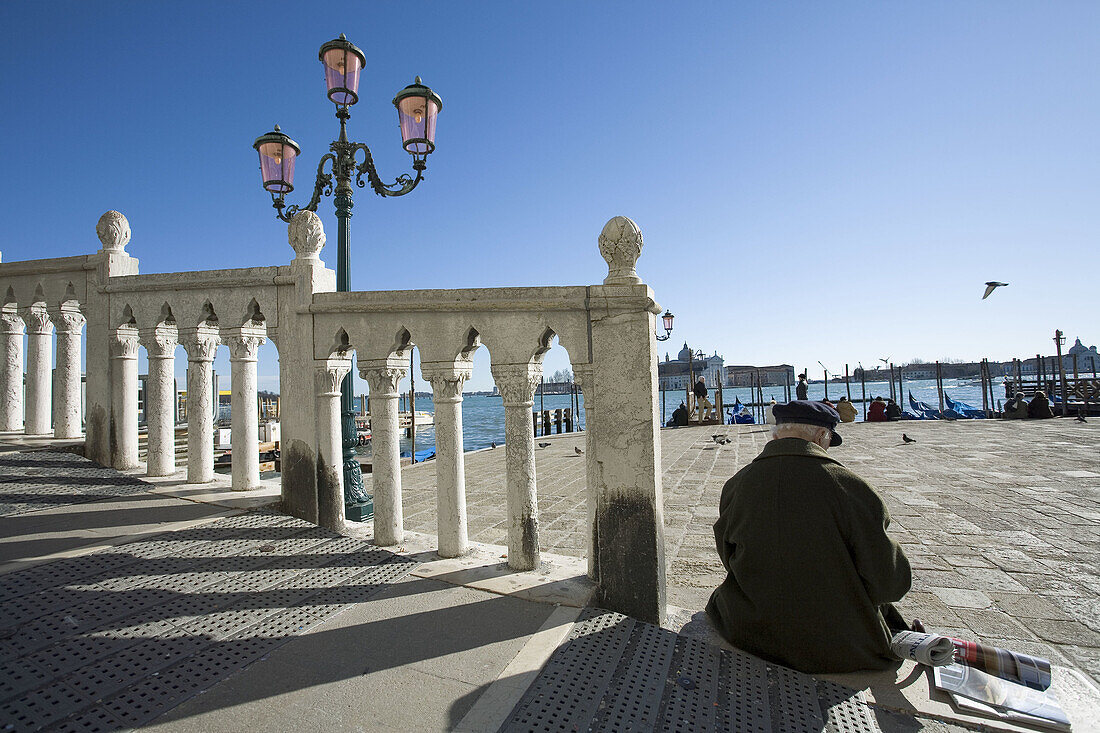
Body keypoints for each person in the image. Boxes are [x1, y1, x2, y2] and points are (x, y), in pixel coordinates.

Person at [706, 400, 912, 673]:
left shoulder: (737, 484)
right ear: (820, 436)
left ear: (777, 435)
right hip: (839, 645)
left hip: (748, 628)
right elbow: (890, 583)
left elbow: (729, 557)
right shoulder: (852, 489)